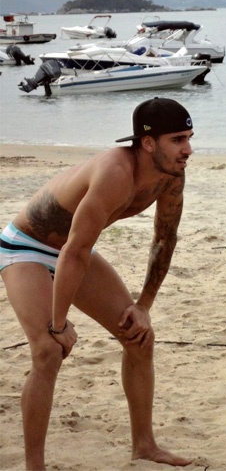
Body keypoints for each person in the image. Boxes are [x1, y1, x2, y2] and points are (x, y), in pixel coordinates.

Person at [0, 97, 195, 470]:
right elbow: (75, 251)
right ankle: (33, 466)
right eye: (177, 140)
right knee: (48, 352)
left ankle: (144, 446)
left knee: (139, 337)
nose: (187, 149)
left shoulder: (172, 175)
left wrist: (144, 307)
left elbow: (165, 238)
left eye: (189, 137)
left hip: (73, 250)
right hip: (25, 247)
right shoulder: (115, 173)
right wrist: (58, 326)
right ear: (148, 143)